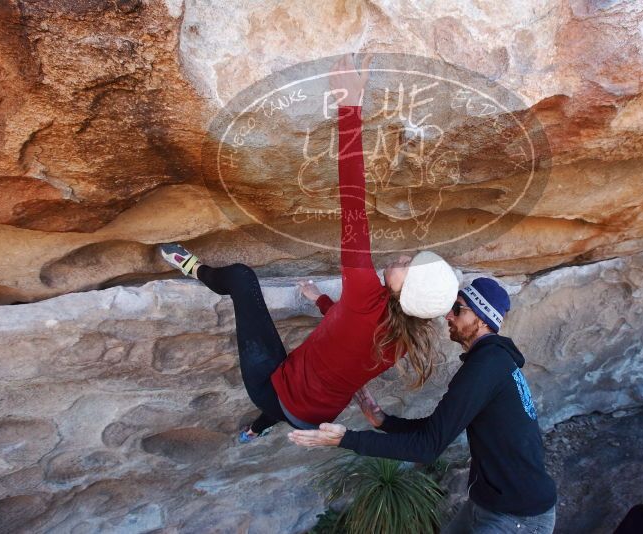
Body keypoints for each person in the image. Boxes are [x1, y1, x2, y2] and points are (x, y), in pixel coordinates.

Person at [159, 54, 458, 441]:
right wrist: (319, 301)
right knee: (285, 405)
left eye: (407, 266)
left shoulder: (366, 295)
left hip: (275, 390)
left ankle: (193, 268)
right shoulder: (404, 336)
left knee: (241, 278)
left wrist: (349, 105)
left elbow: (354, 201)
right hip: (313, 417)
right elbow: (345, 339)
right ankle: (255, 430)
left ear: (405, 292)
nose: (402, 257)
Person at [288, 277, 558, 534]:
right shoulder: (492, 362)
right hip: (488, 504)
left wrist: (345, 440)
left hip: (519, 518)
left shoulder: (486, 367)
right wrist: (385, 422)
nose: (448, 316)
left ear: (481, 319)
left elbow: (427, 448)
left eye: (457, 309)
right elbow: (438, 428)